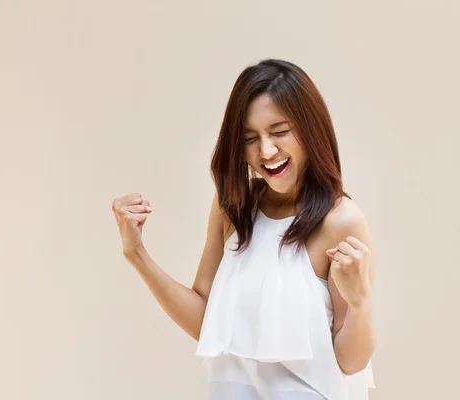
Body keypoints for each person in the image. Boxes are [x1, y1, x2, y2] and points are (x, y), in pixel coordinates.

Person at [111, 58, 376, 400]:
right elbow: (206, 322)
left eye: (280, 132)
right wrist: (136, 254)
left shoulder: (341, 220)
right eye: (251, 138)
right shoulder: (233, 206)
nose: (267, 151)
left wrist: (360, 303)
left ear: (311, 130)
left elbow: (351, 362)